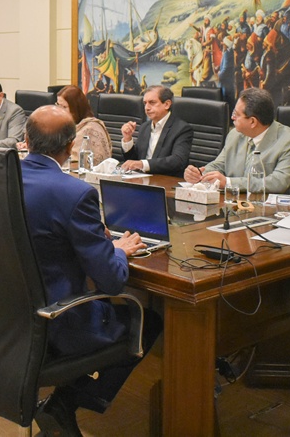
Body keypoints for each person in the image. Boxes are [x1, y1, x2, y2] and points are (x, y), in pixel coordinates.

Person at [21, 106, 162, 436]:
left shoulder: (2, 179)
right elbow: (111, 281)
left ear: (26, 140)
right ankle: (66, 401)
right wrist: (118, 250)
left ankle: (63, 401)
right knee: (148, 319)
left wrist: (97, 241)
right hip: (57, 322)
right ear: (71, 146)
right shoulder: (75, 193)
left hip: (7, 316)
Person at [184, 87, 290, 195]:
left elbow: (278, 182)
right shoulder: (235, 135)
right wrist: (199, 173)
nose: (232, 117)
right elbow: (219, 165)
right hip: (242, 205)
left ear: (252, 121)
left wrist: (229, 182)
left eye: (236, 114)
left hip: (286, 209)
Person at [120, 85, 193, 177]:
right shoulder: (144, 127)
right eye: (145, 103)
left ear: (167, 104)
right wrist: (127, 139)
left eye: (152, 102)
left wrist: (143, 164)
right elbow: (134, 160)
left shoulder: (182, 129)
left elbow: (177, 161)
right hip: (141, 179)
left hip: (165, 180)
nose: (147, 108)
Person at [56, 85, 112, 166]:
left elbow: (88, 162)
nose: (59, 110)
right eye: (58, 105)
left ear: (76, 108)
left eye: (64, 107)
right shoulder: (61, 125)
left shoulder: (92, 128)